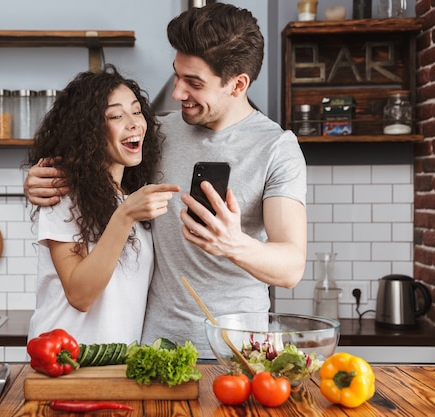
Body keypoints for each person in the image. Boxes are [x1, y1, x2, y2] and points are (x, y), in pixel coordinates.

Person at [24, 3, 307, 358]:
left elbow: (291, 267)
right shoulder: (158, 131)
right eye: (177, 75)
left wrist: (232, 243)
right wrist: (39, 178)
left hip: (236, 350)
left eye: (194, 83)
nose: (177, 93)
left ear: (237, 85)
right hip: (153, 347)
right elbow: (90, 158)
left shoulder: (277, 148)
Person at [25, 64, 180, 345]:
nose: (134, 123)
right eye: (116, 116)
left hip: (116, 365)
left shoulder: (131, 196)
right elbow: (80, 295)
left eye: (136, 111)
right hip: (63, 361)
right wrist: (125, 216)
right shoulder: (64, 193)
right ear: (89, 131)